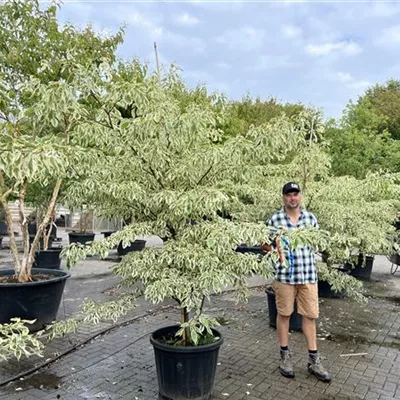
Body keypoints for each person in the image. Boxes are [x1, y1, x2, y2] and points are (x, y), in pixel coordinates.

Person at [263, 182, 331, 382]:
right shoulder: (275, 219)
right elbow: (264, 243)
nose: (292, 198)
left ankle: (314, 360)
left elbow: (317, 243)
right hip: (285, 277)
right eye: (289, 194)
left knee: (310, 316)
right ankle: (285, 357)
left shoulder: (310, 218)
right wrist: (277, 251)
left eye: (296, 194)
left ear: (300, 196)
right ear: (283, 197)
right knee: (284, 315)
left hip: (308, 276)